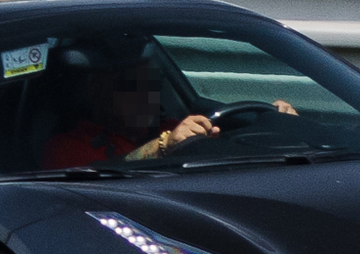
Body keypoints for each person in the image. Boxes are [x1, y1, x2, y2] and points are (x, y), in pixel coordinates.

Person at [41, 48, 294, 168]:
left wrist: (279, 126)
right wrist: (163, 147)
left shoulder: (172, 127)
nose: (145, 94)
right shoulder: (68, 147)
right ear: (97, 92)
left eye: (152, 83)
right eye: (131, 86)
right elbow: (105, 175)